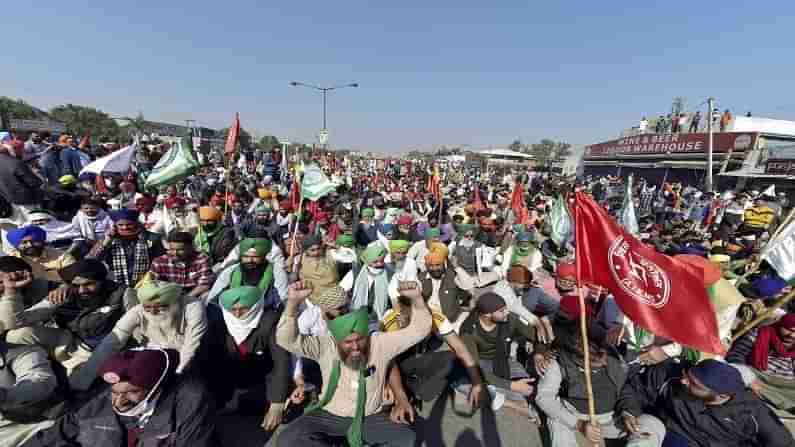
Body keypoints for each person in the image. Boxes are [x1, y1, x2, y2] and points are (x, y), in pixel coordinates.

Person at [275, 280, 432, 447]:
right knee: (288, 439)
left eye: (359, 340)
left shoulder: (378, 341)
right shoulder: (325, 345)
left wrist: (417, 299)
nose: (355, 347)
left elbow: (419, 330)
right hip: (330, 414)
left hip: (370, 416)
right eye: (348, 343)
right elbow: (286, 340)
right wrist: (292, 304)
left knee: (405, 439)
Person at [21, 348, 216, 447]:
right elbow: (53, 436)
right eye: (114, 392)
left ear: (156, 387)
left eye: (132, 391)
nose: (119, 402)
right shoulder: (100, 398)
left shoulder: (190, 400)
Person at [535, 321, 664, 446]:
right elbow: (544, 397)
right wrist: (579, 424)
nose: (603, 363)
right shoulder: (559, 363)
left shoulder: (612, 357)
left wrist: (627, 412)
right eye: (597, 362)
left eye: (604, 358)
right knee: (557, 421)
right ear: (580, 357)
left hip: (609, 420)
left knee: (653, 424)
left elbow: (624, 387)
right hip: (574, 415)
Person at [617, 359, 795, 447]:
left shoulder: (752, 411)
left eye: (694, 383)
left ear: (721, 396)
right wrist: (628, 411)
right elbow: (635, 387)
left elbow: (782, 443)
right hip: (668, 433)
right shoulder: (673, 375)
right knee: (645, 428)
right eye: (689, 375)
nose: (684, 381)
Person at [69, 280, 207, 391]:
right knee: (116, 365)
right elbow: (113, 340)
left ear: (173, 301)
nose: (152, 311)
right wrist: (81, 382)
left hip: (189, 353)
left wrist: (179, 372)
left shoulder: (193, 306)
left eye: (160, 307)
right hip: (155, 351)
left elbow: (192, 343)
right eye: (148, 307)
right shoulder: (138, 310)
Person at [9, 259, 134, 373]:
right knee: (17, 335)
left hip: (98, 351)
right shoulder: (64, 293)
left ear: (102, 280)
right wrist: (12, 291)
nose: (82, 290)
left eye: (89, 284)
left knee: (76, 384)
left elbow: (139, 327)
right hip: (67, 341)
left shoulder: (122, 293)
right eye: (76, 285)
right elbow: (18, 321)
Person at [199, 286, 292, 430]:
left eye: (244, 309)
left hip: (263, 380)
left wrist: (277, 404)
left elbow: (282, 361)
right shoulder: (219, 323)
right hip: (230, 381)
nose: (237, 314)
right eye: (233, 309)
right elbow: (207, 360)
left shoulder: (270, 322)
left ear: (256, 306)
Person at [381, 290, 484, 406]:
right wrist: (388, 386)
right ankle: (408, 388)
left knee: (453, 358)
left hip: (418, 358)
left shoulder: (435, 316)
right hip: (394, 362)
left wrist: (477, 383)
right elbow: (382, 360)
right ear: (403, 311)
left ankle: (419, 390)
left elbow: (460, 349)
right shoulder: (389, 321)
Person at [458, 293, 537, 414]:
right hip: (481, 362)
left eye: (505, 308)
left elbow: (535, 335)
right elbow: (475, 368)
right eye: (501, 311)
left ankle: (502, 396)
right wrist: (511, 385)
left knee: (530, 389)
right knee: (473, 384)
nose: (507, 312)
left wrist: (539, 352)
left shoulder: (510, 319)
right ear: (487, 315)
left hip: (504, 359)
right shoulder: (468, 332)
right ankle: (507, 401)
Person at [728, 313, 795, 413]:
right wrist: (747, 377)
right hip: (759, 374)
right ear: (781, 325)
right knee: (754, 384)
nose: (792, 335)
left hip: (784, 381)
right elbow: (735, 355)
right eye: (789, 330)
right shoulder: (761, 333)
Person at [86, 209, 165, 288]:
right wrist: (107, 241)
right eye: (120, 225)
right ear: (115, 226)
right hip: (115, 283)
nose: (125, 227)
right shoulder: (108, 238)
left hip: (144, 283)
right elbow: (91, 260)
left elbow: (161, 261)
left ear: (136, 223)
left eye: (129, 224)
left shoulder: (151, 238)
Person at [207, 238, 289, 309]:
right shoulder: (230, 272)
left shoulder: (277, 273)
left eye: (255, 257)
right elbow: (213, 299)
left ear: (263, 257)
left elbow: (282, 301)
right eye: (246, 257)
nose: (250, 260)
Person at [341, 242, 395, 324]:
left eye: (382, 261)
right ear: (367, 261)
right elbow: (341, 290)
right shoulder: (356, 272)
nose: (379, 264)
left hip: (379, 318)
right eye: (375, 262)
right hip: (356, 316)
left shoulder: (390, 274)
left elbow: (395, 297)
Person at [149, 231, 214, 299]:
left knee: (207, 295)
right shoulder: (159, 262)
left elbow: (205, 285)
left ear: (190, 248)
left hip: (194, 295)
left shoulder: (201, 259)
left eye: (180, 250)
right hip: (168, 296)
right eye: (172, 249)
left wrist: (186, 298)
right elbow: (153, 285)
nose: (175, 253)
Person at [0, 137, 44, 226]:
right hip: (25, 203)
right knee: (33, 228)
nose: (22, 152)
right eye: (20, 150)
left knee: (12, 229)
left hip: (6, 203)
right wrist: (36, 175)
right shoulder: (15, 163)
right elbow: (35, 182)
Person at [6, 226, 75, 282]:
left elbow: (75, 277)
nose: (30, 245)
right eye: (24, 242)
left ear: (42, 241)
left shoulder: (62, 256)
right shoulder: (11, 259)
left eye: (34, 241)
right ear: (16, 246)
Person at [194, 206, 238, 272]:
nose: (206, 224)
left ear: (217, 221)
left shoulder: (227, 232)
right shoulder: (199, 234)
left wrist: (208, 256)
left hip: (221, 266)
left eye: (209, 221)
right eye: (203, 221)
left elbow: (224, 254)